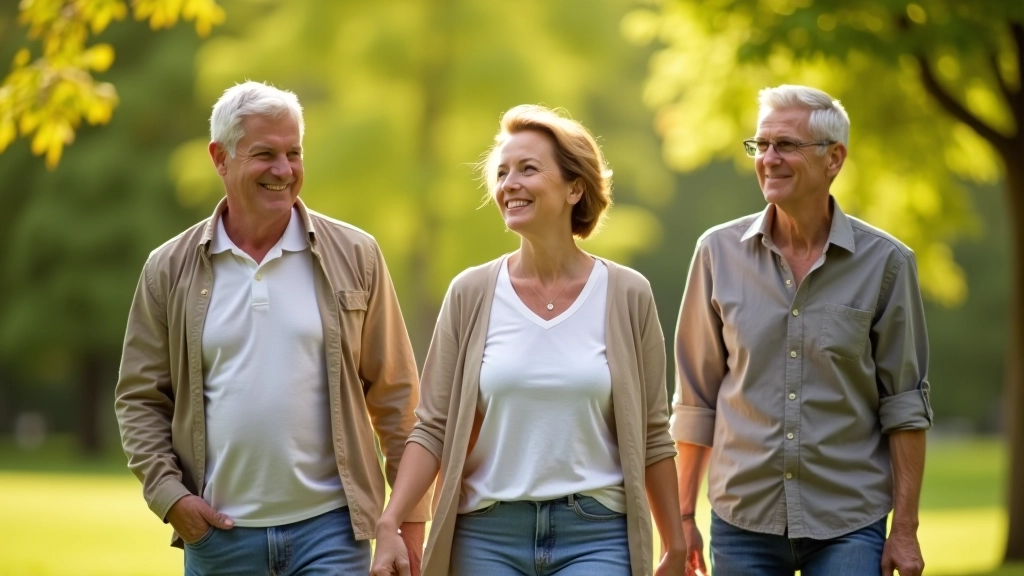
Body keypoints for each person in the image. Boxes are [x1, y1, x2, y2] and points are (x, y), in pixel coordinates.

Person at [114, 81, 431, 575]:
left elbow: (397, 396)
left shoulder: (356, 255)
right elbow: (139, 399)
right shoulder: (168, 268)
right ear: (220, 158)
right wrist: (169, 496)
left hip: (331, 534)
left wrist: (409, 523)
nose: (284, 170)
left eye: (294, 153)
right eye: (265, 154)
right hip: (218, 538)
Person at [369, 104, 690, 576]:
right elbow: (432, 427)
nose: (508, 184)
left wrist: (675, 543)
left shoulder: (627, 294)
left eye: (527, 169)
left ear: (575, 188)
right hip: (487, 536)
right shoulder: (471, 293)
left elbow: (652, 434)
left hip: (596, 536)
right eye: (501, 173)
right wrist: (391, 521)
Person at [671, 84, 932, 576]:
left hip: (849, 522)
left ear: (834, 159)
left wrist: (905, 529)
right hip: (742, 518)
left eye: (786, 144)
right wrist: (683, 516)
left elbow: (905, 404)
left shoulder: (888, 264)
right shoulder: (716, 254)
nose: (768, 158)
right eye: (760, 144)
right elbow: (695, 401)